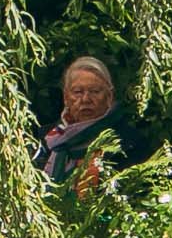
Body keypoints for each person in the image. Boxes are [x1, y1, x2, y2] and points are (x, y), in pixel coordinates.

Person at [32, 56, 138, 186]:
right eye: (78, 92)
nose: (86, 99)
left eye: (95, 91)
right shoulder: (44, 140)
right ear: (66, 97)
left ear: (109, 96)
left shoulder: (128, 143)